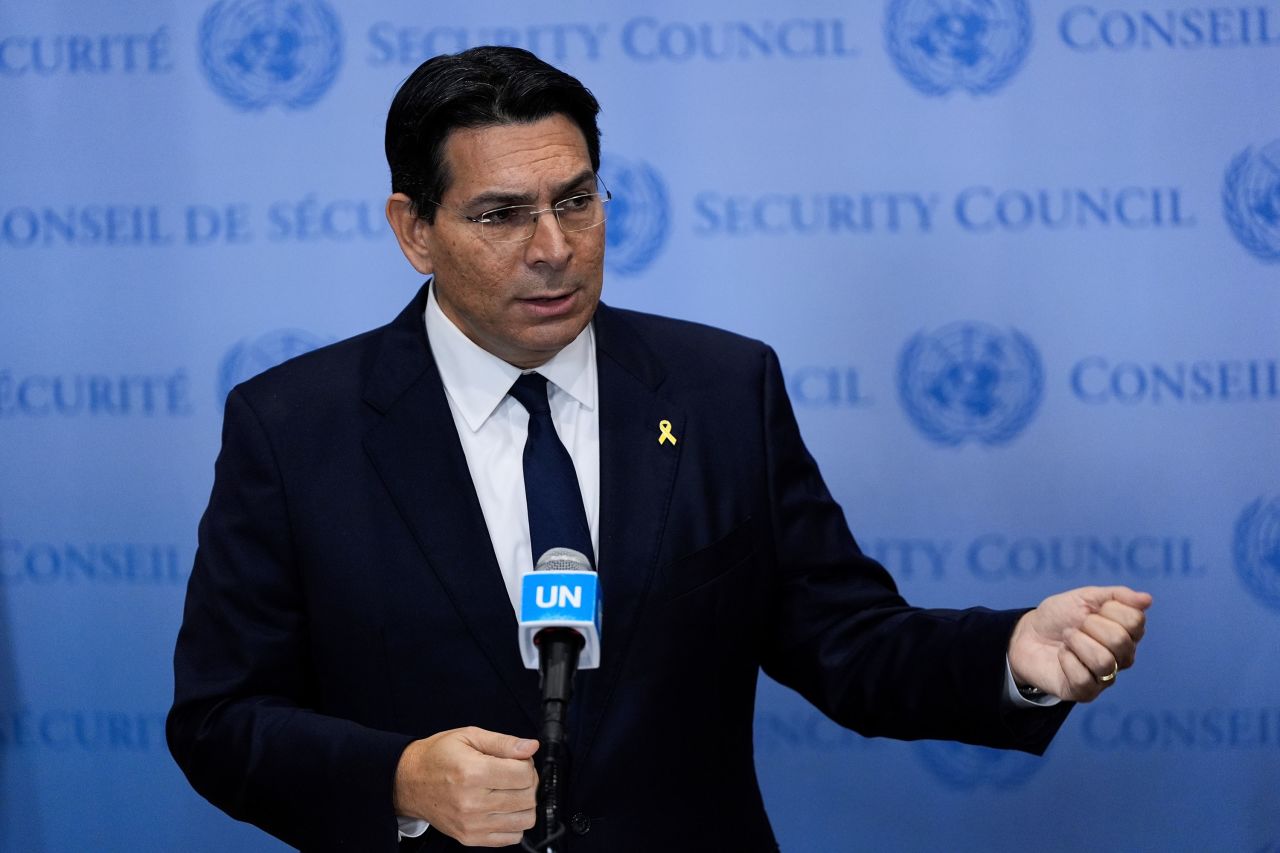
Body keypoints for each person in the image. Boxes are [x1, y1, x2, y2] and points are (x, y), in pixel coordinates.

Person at [167, 46, 1151, 853]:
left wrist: (1009, 655)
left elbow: (848, 641)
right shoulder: (295, 426)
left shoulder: (722, 389)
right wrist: (398, 777)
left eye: (577, 201)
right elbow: (220, 718)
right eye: (501, 215)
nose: (552, 246)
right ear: (413, 230)